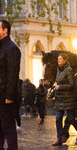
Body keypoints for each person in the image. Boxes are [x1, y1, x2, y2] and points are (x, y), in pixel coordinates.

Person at [48, 53, 77, 146]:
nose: (59, 61)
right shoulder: (58, 70)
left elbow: (71, 85)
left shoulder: (69, 70)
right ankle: (59, 138)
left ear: (65, 60)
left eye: (61, 59)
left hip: (69, 99)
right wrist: (51, 94)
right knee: (58, 119)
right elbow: (57, 85)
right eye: (58, 59)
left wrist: (60, 87)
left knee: (71, 119)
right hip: (60, 100)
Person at [0, 20, 21, 150]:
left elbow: (12, 74)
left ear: (5, 30)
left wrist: (9, 96)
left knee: (8, 127)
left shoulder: (12, 48)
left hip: (5, 96)